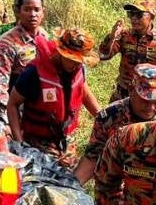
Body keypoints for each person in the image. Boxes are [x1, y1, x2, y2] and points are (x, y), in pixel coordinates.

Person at [6, 28, 100, 169]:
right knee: (42, 178)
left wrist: (103, 118)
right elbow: (12, 104)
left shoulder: (78, 68)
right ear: (60, 52)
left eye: (79, 60)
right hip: (37, 142)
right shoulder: (34, 73)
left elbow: (84, 92)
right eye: (71, 59)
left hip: (66, 139)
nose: (75, 64)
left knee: (68, 177)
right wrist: (19, 144)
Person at [73, 63, 156, 186]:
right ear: (131, 90)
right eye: (144, 100)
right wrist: (72, 186)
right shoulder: (110, 116)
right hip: (120, 178)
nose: (150, 108)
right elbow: (93, 157)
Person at [98, 0, 156, 103]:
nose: (134, 19)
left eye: (139, 15)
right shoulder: (124, 35)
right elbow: (103, 56)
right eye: (131, 14)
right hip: (123, 94)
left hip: (149, 96)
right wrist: (111, 37)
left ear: (151, 16)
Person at [0, 0, 49, 124]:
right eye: (27, 9)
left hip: (40, 107)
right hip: (18, 109)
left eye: (37, 10)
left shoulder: (44, 36)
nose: (33, 14)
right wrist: (7, 120)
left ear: (43, 12)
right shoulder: (7, 43)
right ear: (18, 11)